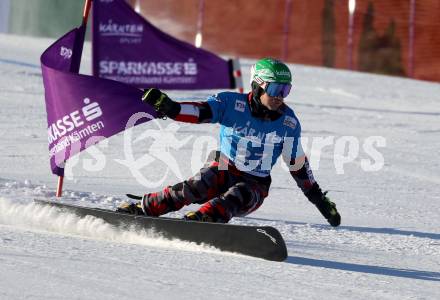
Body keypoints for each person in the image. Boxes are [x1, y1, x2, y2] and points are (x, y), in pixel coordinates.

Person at [118, 58, 341, 227]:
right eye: (275, 89)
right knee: (196, 186)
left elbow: (298, 166)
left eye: (286, 90)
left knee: (238, 195)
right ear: (258, 86)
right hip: (223, 166)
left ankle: (203, 219)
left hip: (256, 183)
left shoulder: (289, 123)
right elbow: (201, 111)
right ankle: (143, 208)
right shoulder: (231, 103)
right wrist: (173, 108)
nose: (280, 96)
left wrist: (319, 200)